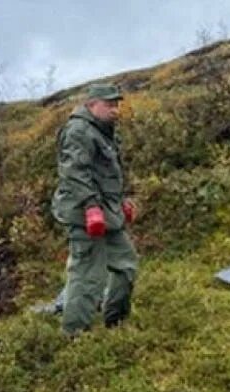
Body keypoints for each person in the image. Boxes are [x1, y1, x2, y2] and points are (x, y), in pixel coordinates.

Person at [50, 83, 138, 336]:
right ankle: (74, 335)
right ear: (92, 105)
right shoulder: (78, 131)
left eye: (117, 104)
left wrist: (120, 200)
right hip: (84, 214)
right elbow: (74, 172)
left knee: (126, 266)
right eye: (109, 104)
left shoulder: (105, 131)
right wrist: (91, 206)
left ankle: (116, 323)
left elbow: (110, 172)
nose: (115, 110)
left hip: (107, 213)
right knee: (88, 274)